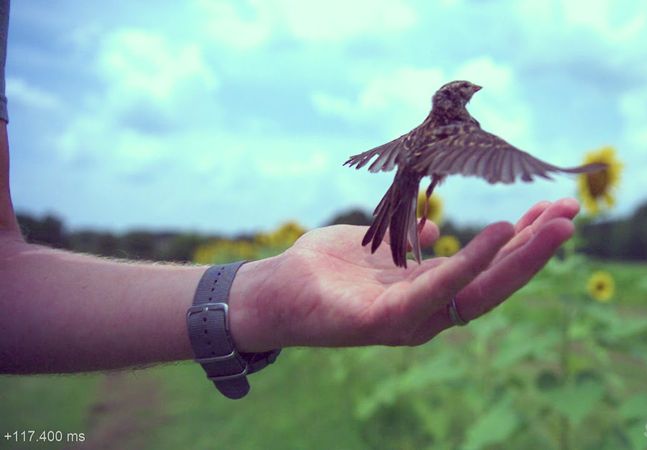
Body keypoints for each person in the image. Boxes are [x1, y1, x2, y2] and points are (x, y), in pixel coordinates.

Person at [0, 0, 579, 382]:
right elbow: (496, 155)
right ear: (453, 102)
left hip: (404, 174)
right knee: (407, 208)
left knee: (402, 207)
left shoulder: (435, 128)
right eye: (464, 91)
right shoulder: (465, 131)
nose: (471, 94)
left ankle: (404, 227)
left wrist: (258, 298)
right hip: (410, 177)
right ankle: (407, 229)